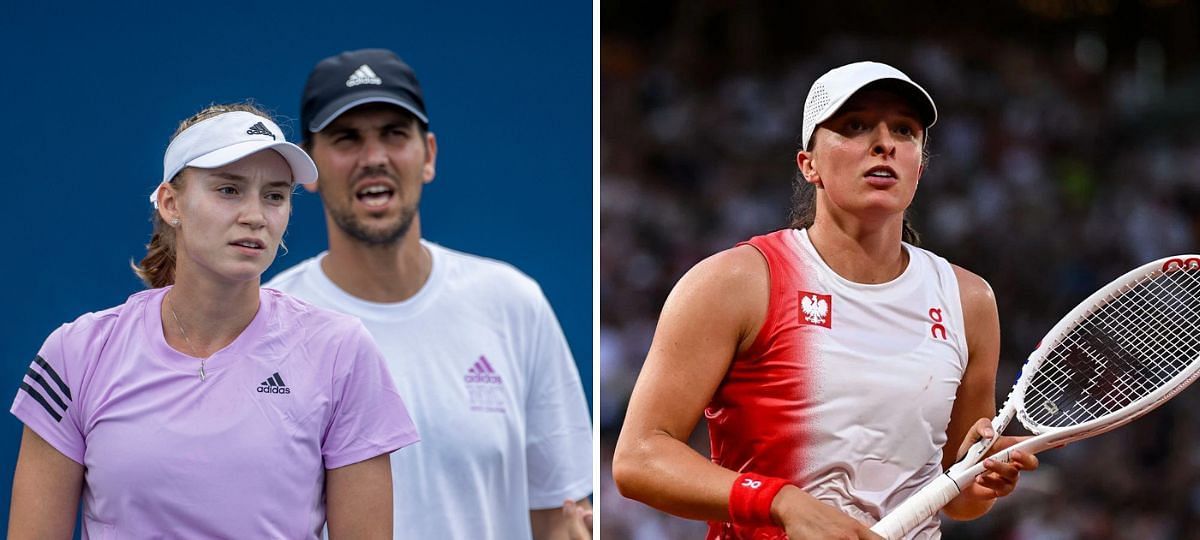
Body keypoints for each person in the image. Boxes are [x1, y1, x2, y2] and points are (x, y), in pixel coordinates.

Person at [611, 61, 1039, 539]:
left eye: (904, 130)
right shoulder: (736, 282)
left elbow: (957, 493)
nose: (884, 143)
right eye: (855, 126)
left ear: (919, 166)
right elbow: (639, 457)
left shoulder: (969, 300)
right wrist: (779, 502)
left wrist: (981, 482)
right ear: (808, 163)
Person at [9, 103, 420, 539]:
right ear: (171, 203)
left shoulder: (340, 352)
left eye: (275, 195)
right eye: (228, 190)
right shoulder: (76, 353)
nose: (255, 216)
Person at [266, 49, 592, 539]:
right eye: (346, 138)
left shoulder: (513, 303)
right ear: (307, 169)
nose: (373, 158)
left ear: (429, 155)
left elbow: (558, 517)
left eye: (394, 135)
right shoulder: (267, 324)